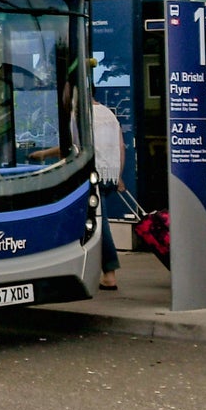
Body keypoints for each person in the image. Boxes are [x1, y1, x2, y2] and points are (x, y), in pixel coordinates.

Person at [91, 96, 125, 291]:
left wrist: (43, 155)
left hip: (93, 175)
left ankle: (110, 272)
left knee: (99, 224)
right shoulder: (109, 114)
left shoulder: (81, 115)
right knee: (99, 222)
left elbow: (73, 147)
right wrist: (118, 176)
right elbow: (121, 147)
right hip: (109, 175)